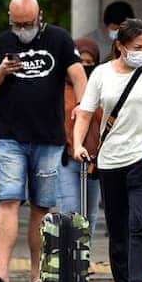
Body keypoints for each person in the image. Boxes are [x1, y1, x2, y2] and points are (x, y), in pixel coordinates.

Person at [0, 0, 87, 282]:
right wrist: (1, 70)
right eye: (17, 24)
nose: (23, 29)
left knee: (41, 205)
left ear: (40, 17)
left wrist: (82, 106)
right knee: (8, 200)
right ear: (9, 20)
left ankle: (37, 274)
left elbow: (78, 74)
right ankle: (2, 271)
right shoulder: (1, 43)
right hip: (10, 136)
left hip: (48, 137)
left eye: (28, 23)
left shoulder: (59, 38)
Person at [74, 18, 142, 282]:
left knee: (140, 225)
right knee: (117, 231)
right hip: (109, 162)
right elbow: (85, 114)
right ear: (120, 45)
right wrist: (79, 143)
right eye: (137, 47)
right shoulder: (102, 74)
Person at [56, 37, 102, 239]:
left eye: (89, 63)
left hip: (94, 161)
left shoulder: (103, 87)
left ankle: (84, 258)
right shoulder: (58, 88)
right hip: (66, 158)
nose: (84, 68)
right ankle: (69, 260)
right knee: (70, 210)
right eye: (79, 62)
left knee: (90, 214)